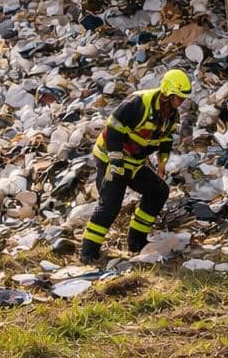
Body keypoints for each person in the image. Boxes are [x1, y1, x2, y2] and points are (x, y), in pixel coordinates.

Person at [80, 68, 191, 264]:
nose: (180, 102)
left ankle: (136, 242)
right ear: (167, 92)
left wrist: (162, 162)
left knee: (159, 191)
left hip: (135, 163)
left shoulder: (171, 116)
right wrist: (115, 162)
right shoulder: (138, 103)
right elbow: (113, 129)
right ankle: (88, 253)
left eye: (182, 99)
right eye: (178, 97)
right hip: (110, 158)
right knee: (111, 204)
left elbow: (166, 139)